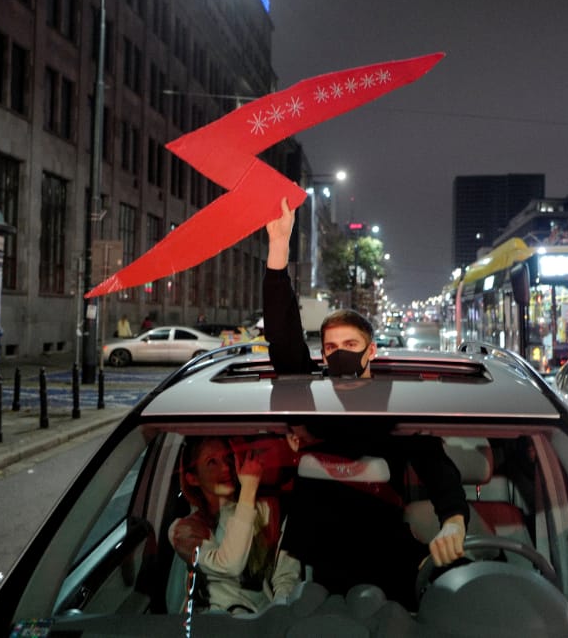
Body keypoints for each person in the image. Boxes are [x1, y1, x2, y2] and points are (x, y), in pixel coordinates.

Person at [263, 197, 469, 607]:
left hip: (385, 555)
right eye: (331, 347)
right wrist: (278, 248)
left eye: (351, 344)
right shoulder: (312, 396)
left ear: (371, 351)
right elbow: (283, 338)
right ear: (322, 355)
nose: (339, 353)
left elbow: (434, 462)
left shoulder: (395, 403)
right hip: (320, 563)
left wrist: (454, 521)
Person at [168, 437, 300, 614]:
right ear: (193, 479)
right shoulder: (184, 530)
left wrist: (276, 615)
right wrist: (248, 488)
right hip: (209, 622)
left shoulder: (267, 510)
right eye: (212, 462)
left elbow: (286, 576)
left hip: (259, 621)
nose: (226, 468)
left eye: (228, 459)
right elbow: (230, 565)